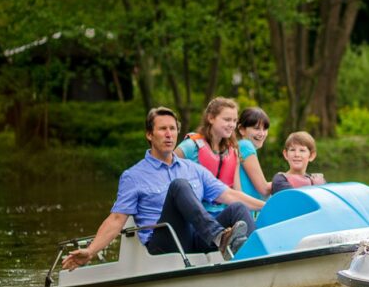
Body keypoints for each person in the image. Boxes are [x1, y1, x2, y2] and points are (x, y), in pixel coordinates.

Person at [61, 107, 265, 271]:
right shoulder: (133, 176)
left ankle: (262, 259)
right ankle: (220, 237)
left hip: (196, 237)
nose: (169, 135)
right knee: (179, 186)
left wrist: (268, 206)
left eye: (173, 129)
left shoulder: (193, 169)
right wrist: (90, 251)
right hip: (163, 243)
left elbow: (229, 194)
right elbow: (116, 220)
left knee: (238, 207)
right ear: (149, 134)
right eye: (162, 129)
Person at [175, 97, 245, 212]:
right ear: (211, 118)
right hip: (195, 214)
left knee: (240, 209)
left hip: (222, 214)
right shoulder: (189, 147)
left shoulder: (233, 151)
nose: (232, 125)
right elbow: (167, 174)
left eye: (234, 120)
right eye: (227, 119)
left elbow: (237, 193)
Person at [237, 106, 273, 200]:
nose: (262, 134)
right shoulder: (245, 146)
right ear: (242, 129)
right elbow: (264, 189)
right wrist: (290, 179)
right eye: (256, 128)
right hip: (245, 212)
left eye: (265, 129)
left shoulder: (240, 146)